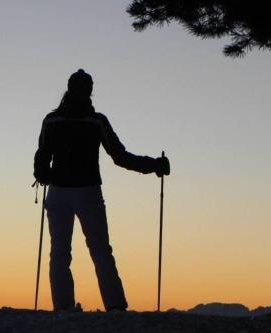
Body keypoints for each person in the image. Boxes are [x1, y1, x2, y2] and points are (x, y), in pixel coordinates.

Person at [33, 69, 170, 312]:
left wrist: (45, 175)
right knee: (100, 249)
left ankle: (63, 308)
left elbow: (42, 159)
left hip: (58, 192)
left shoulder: (52, 121)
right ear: (89, 91)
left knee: (60, 252)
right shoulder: (96, 121)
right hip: (88, 192)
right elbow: (120, 156)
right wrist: (154, 166)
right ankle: (115, 306)